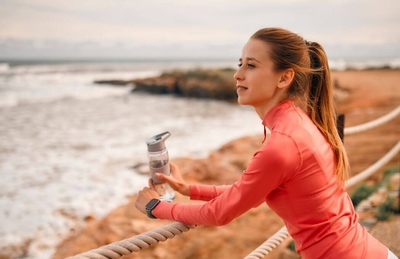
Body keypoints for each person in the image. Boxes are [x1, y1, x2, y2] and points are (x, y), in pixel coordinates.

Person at [135, 27, 397, 259]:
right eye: (240, 63)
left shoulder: (282, 145)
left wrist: (154, 207)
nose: (237, 75)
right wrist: (189, 189)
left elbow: (220, 213)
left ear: (284, 78)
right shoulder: (303, 124)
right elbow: (248, 190)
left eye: (251, 65)